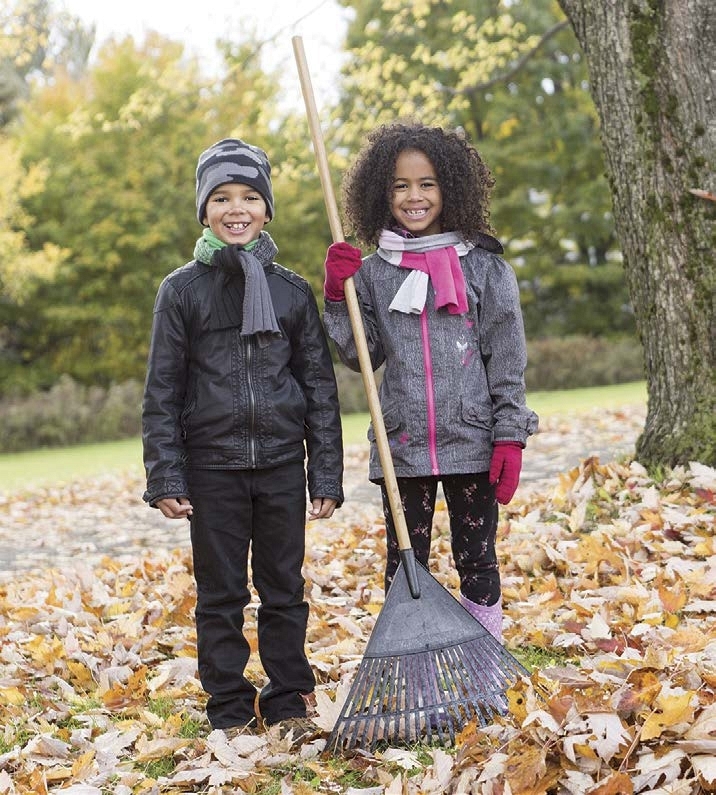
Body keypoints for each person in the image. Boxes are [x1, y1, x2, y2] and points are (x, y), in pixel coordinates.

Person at [142, 138, 343, 743]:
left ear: (267, 208)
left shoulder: (290, 290)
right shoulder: (182, 292)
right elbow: (163, 392)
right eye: (223, 197)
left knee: (284, 587)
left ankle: (287, 697)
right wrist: (167, 477)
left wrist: (325, 474)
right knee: (221, 591)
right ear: (204, 209)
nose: (238, 208)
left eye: (251, 196)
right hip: (213, 470)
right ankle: (229, 703)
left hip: (282, 464)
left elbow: (318, 386)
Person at [322, 122, 537, 642]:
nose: (414, 196)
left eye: (427, 184)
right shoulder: (372, 274)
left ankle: (483, 662)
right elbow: (360, 355)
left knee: (478, 559)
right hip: (405, 444)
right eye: (400, 185)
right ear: (381, 193)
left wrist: (510, 433)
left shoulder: (484, 268)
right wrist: (335, 297)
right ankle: (413, 659)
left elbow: (506, 359)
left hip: (473, 440)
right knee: (405, 566)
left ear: (450, 189)